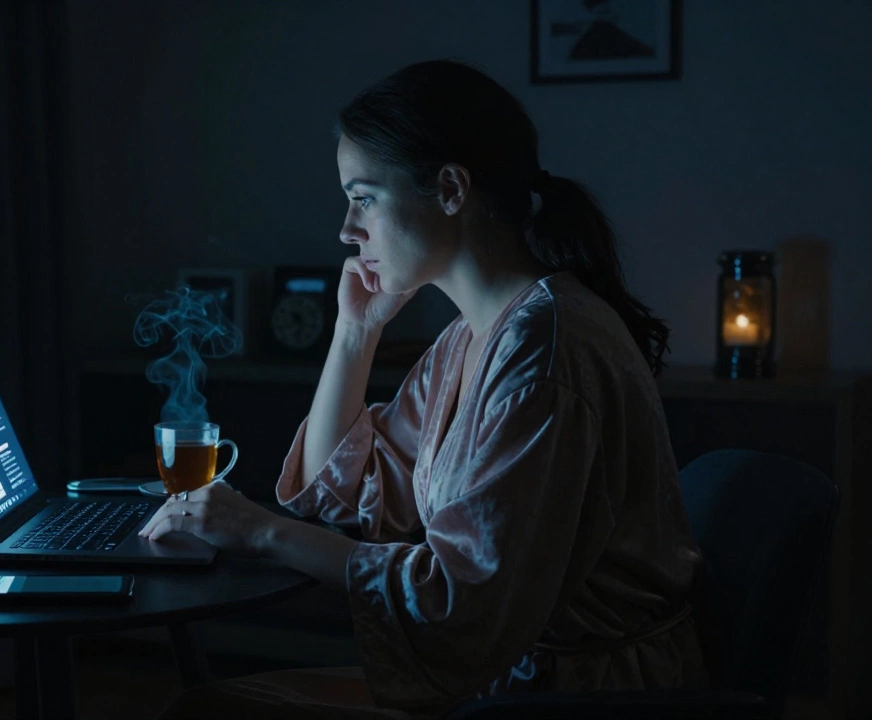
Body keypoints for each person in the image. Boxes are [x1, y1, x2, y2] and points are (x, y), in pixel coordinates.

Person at [138, 58, 706, 719]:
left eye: (362, 198)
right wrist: (355, 334)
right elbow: (340, 491)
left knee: (211, 711)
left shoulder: (544, 347)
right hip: (516, 682)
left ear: (450, 189)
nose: (347, 232)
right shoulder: (472, 337)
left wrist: (260, 532)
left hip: (574, 698)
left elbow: (463, 603)